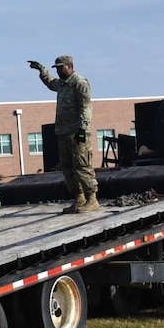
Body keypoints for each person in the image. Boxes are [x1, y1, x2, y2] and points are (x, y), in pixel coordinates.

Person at [28, 54, 98, 214]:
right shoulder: (62, 84)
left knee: (82, 166)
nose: (58, 70)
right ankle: (79, 199)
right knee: (68, 168)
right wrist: (42, 70)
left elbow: (86, 106)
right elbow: (51, 83)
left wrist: (83, 128)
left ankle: (92, 199)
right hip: (63, 132)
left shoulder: (79, 83)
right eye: (57, 68)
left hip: (77, 133)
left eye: (60, 67)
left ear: (69, 66)